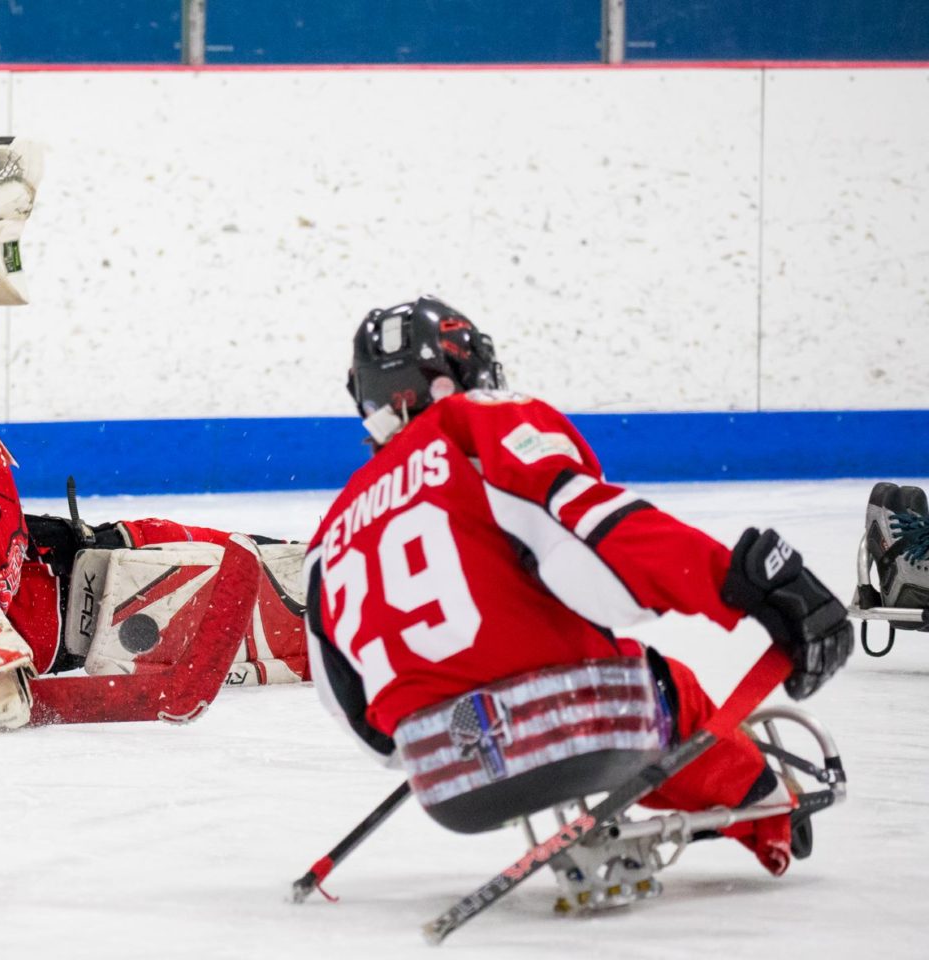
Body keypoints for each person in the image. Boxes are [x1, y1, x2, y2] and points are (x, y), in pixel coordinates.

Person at [303, 295, 853, 877]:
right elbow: (596, 545)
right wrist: (741, 580)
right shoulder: (480, 422)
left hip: (445, 783)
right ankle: (765, 808)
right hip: (582, 732)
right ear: (459, 371)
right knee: (662, 685)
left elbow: (358, 719)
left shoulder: (332, 530)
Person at [0, 138, 307, 730]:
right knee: (191, 578)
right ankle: (329, 624)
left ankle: (302, 563)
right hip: (57, 633)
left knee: (168, 538)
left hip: (40, 562)